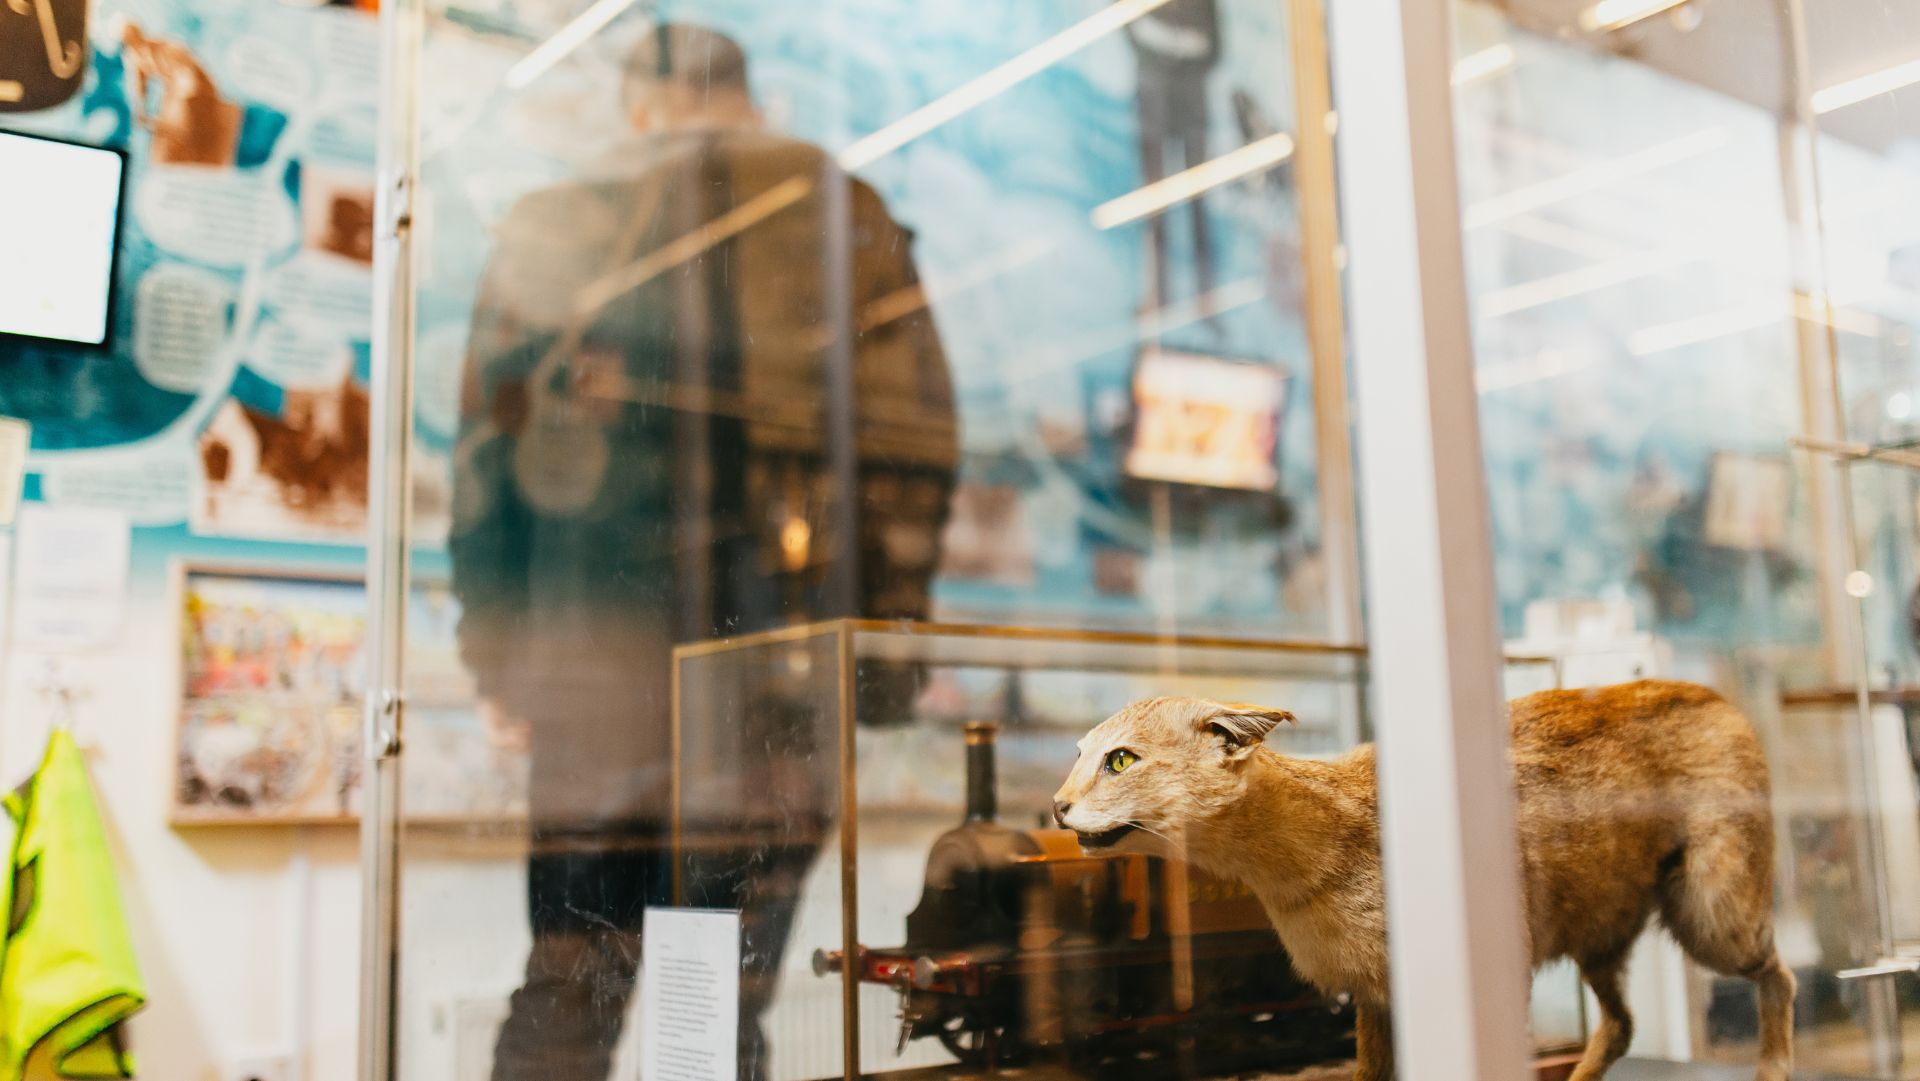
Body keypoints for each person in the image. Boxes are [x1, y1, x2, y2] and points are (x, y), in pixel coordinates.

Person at [450, 23, 957, 1081]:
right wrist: (884, 652)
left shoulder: (554, 223)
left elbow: (486, 465)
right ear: (751, 99)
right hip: (774, 675)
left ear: (637, 103)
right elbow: (914, 444)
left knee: (568, 976)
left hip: (596, 680)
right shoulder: (834, 209)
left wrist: (498, 654)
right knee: (718, 1001)